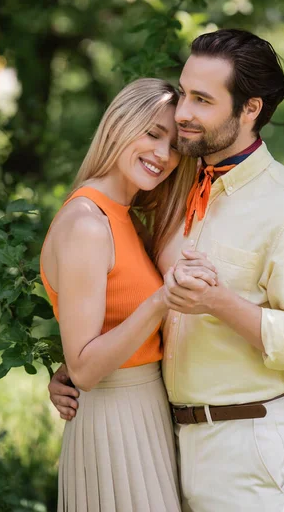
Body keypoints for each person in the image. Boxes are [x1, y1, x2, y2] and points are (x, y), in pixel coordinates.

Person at [49, 30, 284, 512]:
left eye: (202, 100)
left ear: (250, 109)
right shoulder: (171, 191)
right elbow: (130, 297)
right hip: (167, 442)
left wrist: (220, 303)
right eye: (184, 92)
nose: (183, 112)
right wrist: (85, 367)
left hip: (252, 447)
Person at [40, 77, 218, 512]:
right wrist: (161, 301)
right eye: (153, 134)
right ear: (119, 125)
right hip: (114, 424)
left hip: (146, 413)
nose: (162, 155)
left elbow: (95, 338)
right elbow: (84, 370)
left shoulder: (128, 218)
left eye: (175, 145)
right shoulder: (87, 223)